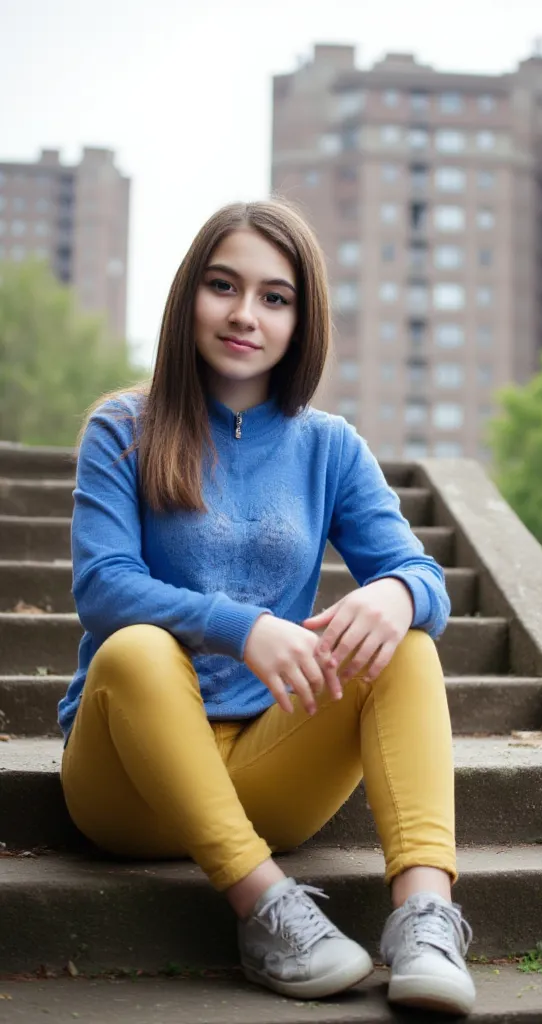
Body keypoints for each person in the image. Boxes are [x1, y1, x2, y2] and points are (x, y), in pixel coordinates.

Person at [58, 198, 476, 1016]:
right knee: (137, 648)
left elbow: (424, 575)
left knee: (407, 639)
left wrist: (397, 591)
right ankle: (267, 909)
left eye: (274, 296)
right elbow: (102, 585)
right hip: (127, 787)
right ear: (191, 298)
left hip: (267, 773)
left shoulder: (330, 446)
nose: (245, 314)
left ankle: (425, 919)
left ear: (301, 317)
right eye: (224, 286)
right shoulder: (123, 429)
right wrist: (242, 627)